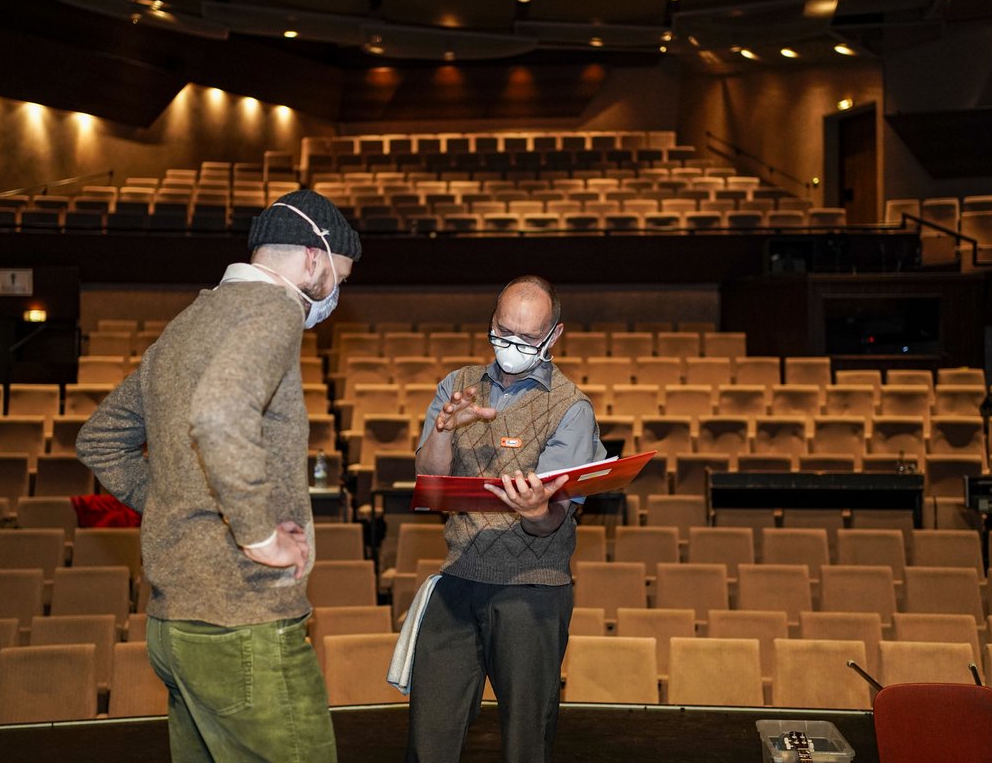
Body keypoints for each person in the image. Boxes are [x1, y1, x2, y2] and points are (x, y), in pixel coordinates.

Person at [76, 190, 360, 763]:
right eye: (338, 278)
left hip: (174, 627)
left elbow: (99, 439)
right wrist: (258, 535)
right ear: (312, 258)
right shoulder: (275, 309)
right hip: (242, 622)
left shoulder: (188, 322)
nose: (334, 293)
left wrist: (178, 503)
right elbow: (220, 413)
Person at [406, 275, 606, 763]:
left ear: (553, 336)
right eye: (501, 332)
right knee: (427, 738)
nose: (510, 346)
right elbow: (430, 486)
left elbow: (550, 521)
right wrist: (442, 431)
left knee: (525, 741)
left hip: (533, 591)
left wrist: (537, 509)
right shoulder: (457, 385)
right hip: (457, 581)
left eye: (526, 338)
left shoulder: (570, 408)